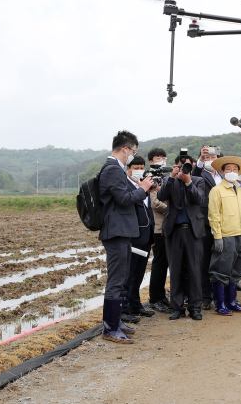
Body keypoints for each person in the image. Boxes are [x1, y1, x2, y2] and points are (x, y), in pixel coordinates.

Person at [98, 130, 154, 344]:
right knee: (116, 279)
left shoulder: (115, 169)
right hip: (116, 231)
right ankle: (110, 328)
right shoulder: (112, 169)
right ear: (125, 149)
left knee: (121, 279)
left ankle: (116, 321)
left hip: (121, 230)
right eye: (133, 151)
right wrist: (143, 189)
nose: (133, 154)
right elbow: (123, 199)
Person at [158, 151, 206, 320]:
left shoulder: (198, 181)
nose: (184, 169)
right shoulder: (169, 181)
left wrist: (188, 183)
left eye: (187, 166)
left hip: (193, 231)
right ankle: (177, 307)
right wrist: (172, 176)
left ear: (192, 167)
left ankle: (195, 307)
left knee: (194, 269)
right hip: (174, 231)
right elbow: (161, 196)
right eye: (181, 166)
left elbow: (200, 200)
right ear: (176, 166)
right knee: (176, 269)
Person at [207, 156, 241, 316]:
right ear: (222, 171)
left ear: (239, 172)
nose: (232, 172)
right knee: (221, 270)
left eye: (235, 169)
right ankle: (220, 304)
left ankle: (231, 301)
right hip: (226, 236)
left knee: (236, 271)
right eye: (228, 169)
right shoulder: (217, 190)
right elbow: (213, 215)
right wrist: (217, 236)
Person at [121, 156, 156, 318]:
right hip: (133, 237)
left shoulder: (145, 185)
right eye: (135, 167)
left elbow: (149, 211)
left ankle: (136, 304)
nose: (139, 170)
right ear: (128, 168)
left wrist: (152, 237)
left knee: (139, 273)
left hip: (146, 237)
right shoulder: (126, 186)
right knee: (128, 274)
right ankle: (124, 308)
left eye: (142, 167)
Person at [193, 145, 222, 310]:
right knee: (204, 261)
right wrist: (200, 161)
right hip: (205, 222)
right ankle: (205, 296)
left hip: (223, 222)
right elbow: (193, 176)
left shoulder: (224, 175)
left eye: (213, 157)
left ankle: (222, 295)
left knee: (222, 260)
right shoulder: (200, 174)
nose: (211, 160)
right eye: (207, 157)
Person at [147, 148, 173, 314]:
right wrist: (173, 210)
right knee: (159, 263)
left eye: (164, 157)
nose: (162, 160)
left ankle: (161, 296)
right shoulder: (151, 177)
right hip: (158, 227)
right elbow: (155, 203)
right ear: (151, 161)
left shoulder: (164, 176)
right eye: (158, 157)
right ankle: (155, 298)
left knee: (164, 264)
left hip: (167, 226)